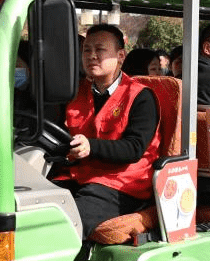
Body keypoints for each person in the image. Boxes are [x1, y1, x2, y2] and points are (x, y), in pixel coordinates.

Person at [52, 23, 160, 239]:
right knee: (34, 208)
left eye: (100, 50)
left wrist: (91, 146)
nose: (92, 56)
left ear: (121, 56)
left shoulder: (140, 96)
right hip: (79, 176)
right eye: (87, 50)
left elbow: (134, 148)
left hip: (123, 184)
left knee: (63, 224)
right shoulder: (75, 91)